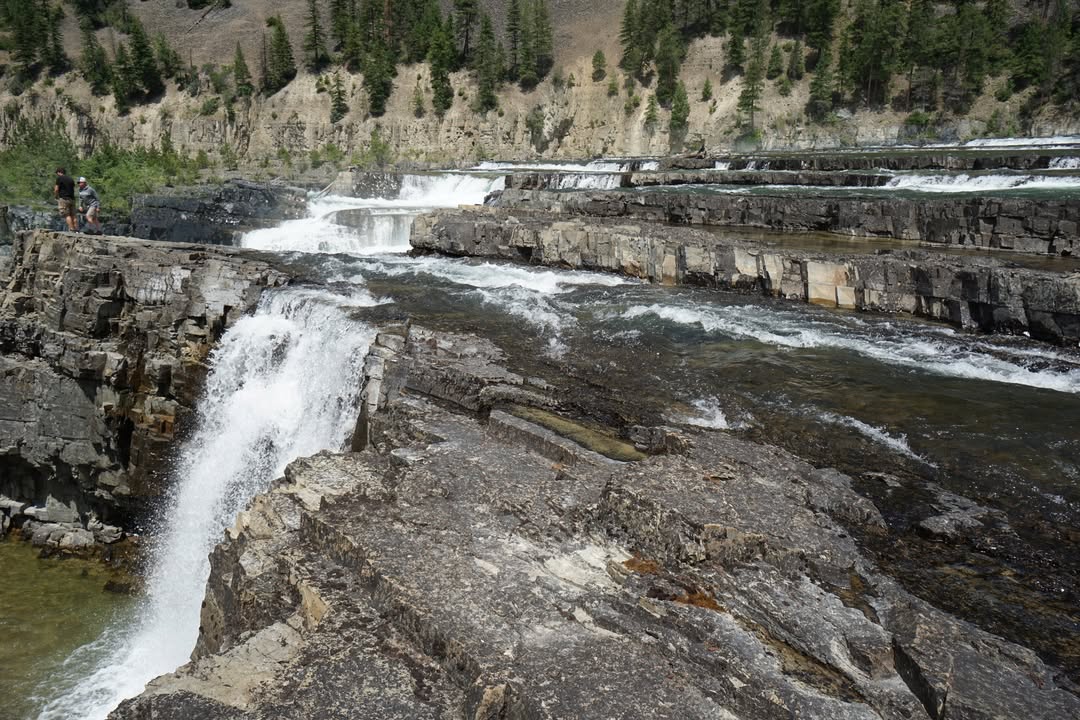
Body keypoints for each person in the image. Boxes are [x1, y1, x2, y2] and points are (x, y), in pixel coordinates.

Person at [53, 167, 77, 232]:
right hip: (72, 199)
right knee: (73, 215)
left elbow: (56, 189)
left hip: (64, 199)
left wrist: (56, 196)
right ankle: (76, 229)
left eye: (57, 173)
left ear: (59, 172)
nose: (57, 175)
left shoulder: (59, 178)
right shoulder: (71, 179)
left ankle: (72, 229)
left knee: (66, 214)